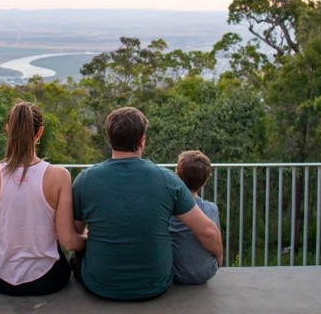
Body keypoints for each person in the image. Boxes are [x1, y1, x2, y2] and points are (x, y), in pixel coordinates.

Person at [71, 107, 224, 301]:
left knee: (75, 259)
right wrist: (219, 258)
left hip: (100, 285)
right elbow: (207, 231)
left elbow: (76, 231)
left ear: (109, 139)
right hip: (155, 284)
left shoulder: (85, 180)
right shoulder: (168, 180)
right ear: (142, 140)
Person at [0, 101, 86, 296]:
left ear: (8, 129)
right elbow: (67, 240)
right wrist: (91, 240)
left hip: (0, 279)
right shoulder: (59, 176)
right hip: (47, 279)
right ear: (40, 132)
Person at [169, 150, 221, 284]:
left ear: (177, 175)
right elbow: (214, 236)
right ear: (205, 180)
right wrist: (220, 257)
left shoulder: (168, 209)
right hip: (206, 272)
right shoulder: (211, 209)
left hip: (174, 273)